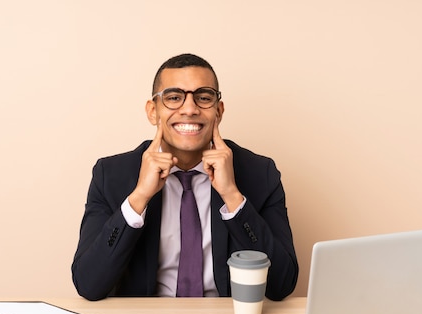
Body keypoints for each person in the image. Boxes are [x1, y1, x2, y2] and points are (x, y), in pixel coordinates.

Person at [72, 53, 298, 301]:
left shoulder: (259, 173)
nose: (189, 109)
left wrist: (233, 197)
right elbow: (89, 284)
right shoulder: (111, 175)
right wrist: (139, 197)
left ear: (218, 111)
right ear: (153, 111)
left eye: (203, 98)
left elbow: (282, 284)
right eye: (174, 98)